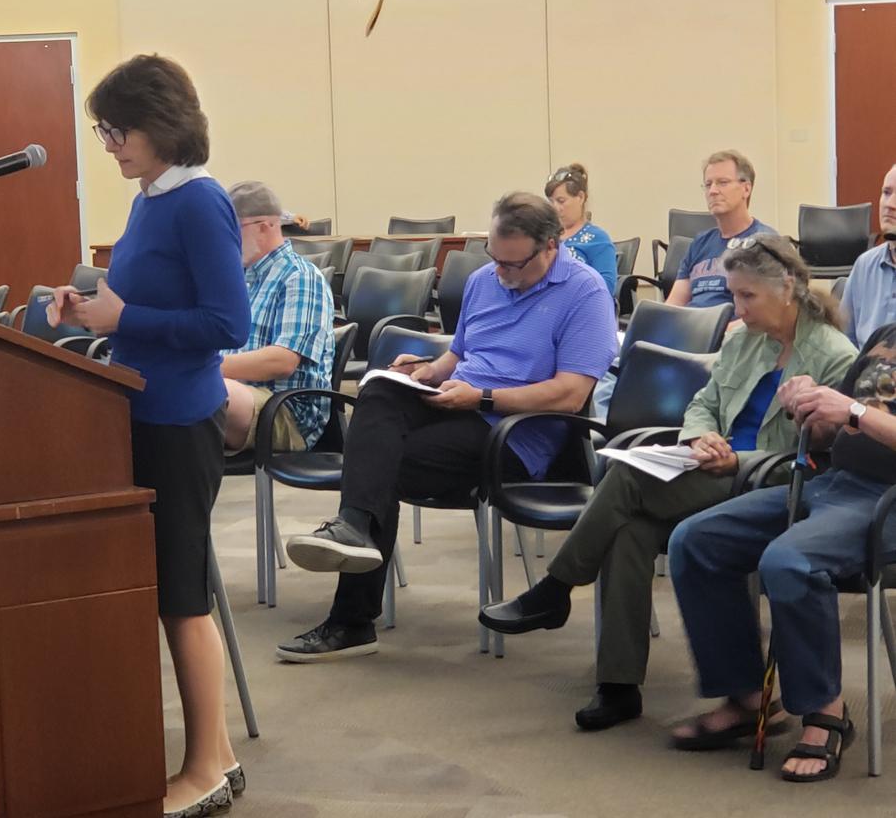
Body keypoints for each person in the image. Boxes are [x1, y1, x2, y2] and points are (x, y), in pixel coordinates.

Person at [479, 234, 858, 730]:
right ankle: (618, 686)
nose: (737, 308)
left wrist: (736, 458)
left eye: (747, 295)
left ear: (787, 287)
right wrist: (700, 437)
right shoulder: (743, 340)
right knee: (629, 530)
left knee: (627, 476)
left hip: (775, 480)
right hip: (716, 468)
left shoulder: (833, 354)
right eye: (733, 294)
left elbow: (826, 453)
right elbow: (703, 404)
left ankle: (555, 588)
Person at [276, 192, 618, 662]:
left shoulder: (585, 293)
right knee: (378, 394)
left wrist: (482, 397)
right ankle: (353, 529)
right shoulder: (484, 279)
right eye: (495, 258)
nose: (501, 273)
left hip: (516, 432)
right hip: (459, 403)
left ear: (550, 248)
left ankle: (351, 619)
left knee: (377, 465)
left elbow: (570, 394)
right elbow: (459, 356)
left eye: (513, 264)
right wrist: (425, 370)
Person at [47, 54, 250, 817]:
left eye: (116, 130)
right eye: (102, 131)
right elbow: (136, 300)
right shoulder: (149, 200)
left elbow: (228, 324)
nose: (109, 146)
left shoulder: (199, 201)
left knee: (182, 597)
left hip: (180, 418)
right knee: (170, 592)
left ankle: (204, 768)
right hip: (140, 407)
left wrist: (124, 316)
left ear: (159, 124)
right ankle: (218, 755)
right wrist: (88, 306)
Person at [667, 319, 896, 782]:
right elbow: (835, 431)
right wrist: (811, 408)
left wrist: (852, 410)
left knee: (790, 561)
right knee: (696, 540)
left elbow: (857, 413)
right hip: (836, 483)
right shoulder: (886, 335)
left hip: (887, 501)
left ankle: (825, 710)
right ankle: (748, 697)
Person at [222, 180, 334, 452]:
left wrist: (205, 368)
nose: (224, 239)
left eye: (231, 228)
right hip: (240, 394)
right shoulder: (239, 278)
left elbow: (282, 361)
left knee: (197, 388)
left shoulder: (300, 277)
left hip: (286, 410)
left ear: (264, 226)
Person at [666, 149, 777, 310]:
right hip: (690, 323)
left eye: (723, 182)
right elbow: (674, 304)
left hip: (732, 325)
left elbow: (766, 312)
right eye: (708, 184)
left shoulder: (765, 243)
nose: (713, 191)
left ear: (746, 189)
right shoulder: (699, 243)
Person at [840, 162, 896, 346]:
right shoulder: (865, 265)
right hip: (864, 364)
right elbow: (844, 343)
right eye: (886, 193)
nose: (890, 204)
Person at [545, 164, 617, 294]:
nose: (555, 208)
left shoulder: (597, 239)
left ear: (580, 197)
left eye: (561, 201)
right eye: (551, 202)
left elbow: (605, 288)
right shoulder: (544, 236)